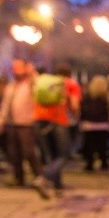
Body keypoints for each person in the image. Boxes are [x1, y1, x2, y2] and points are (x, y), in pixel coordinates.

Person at [0, 58, 49, 199]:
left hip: (27, 123)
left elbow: (39, 85)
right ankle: (19, 178)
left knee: (29, 152)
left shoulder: (30, 83)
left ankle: (39, 177)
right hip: (13, 124)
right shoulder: (11, 86)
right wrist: (0, 121)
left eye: (18, 67)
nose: (15, 70)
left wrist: (32, 72)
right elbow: (5, 105)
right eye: (14, 68)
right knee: (14, 153)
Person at [33, 63, 81, 197]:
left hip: (39, 119)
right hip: (58, 121)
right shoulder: (71, 84)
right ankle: (43, 178)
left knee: (51, 156)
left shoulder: (44, 82)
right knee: (64, 155)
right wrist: (76, 117)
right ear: (69, 74)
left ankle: (57, 187)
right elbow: (75, 106)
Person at [80, 74, 109, 172]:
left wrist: (82, 121)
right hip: (103, 125)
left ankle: (89, 164)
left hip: (89, 125)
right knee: (102, 146)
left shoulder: (87, 96)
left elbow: (83, 109)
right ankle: (104, 163)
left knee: (90, 146)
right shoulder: (106, 96)